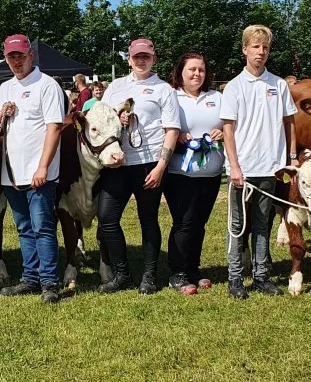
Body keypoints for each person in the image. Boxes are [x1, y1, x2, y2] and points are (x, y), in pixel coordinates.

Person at [95, 38, 180, 295]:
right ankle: (123, 274)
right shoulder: (116, 87)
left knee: (148, 220)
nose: (141, 60)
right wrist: (118, 118)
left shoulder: (164, 89)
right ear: (129, 59)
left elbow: (172, 130)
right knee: (107, 219)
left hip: (148, 164)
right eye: (136, 56)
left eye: (146, 56)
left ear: (153, 59)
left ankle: (149, 276)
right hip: (118, 162)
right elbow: (102, 117)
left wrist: (161, 166)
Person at [220, 25, 295, 299]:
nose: (260, 52)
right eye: (255, 47)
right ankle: (235, 279)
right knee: (237, 226)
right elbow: (228, 129)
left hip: (271, 168)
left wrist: (292, 157)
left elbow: (289, 123)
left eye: (265, 48)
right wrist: (235, 166)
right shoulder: (234, 87)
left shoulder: (279, 84)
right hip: (243, 170)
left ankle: (262, 276)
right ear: (245, 50)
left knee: (263, 224)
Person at [0, 34, 66, 303]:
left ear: (30, 56)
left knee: (42, 227)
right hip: (12, 171)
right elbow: (2, 131)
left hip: (39, 172)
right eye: (11, 56)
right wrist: (3, 115)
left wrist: (43, 167)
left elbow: (54, 127)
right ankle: (30, 277)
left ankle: (49, 281)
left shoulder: (47, 85)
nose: (16, 61)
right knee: (24, 227)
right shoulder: (5, 88)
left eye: (20, 56)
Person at [163, 52, 223, 294]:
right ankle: (177, 273)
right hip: (180, 173)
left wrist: (220, 131)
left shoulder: (217, 97)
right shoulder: (171, 97)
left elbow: (229, 123)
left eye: (201, 69)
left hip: (211, 173)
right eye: (192, 69)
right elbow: (163, 126)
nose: (197, 74)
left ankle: (193, 269)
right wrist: (176, 135)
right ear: (181, 72)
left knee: (200, 223)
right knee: (184, 223)